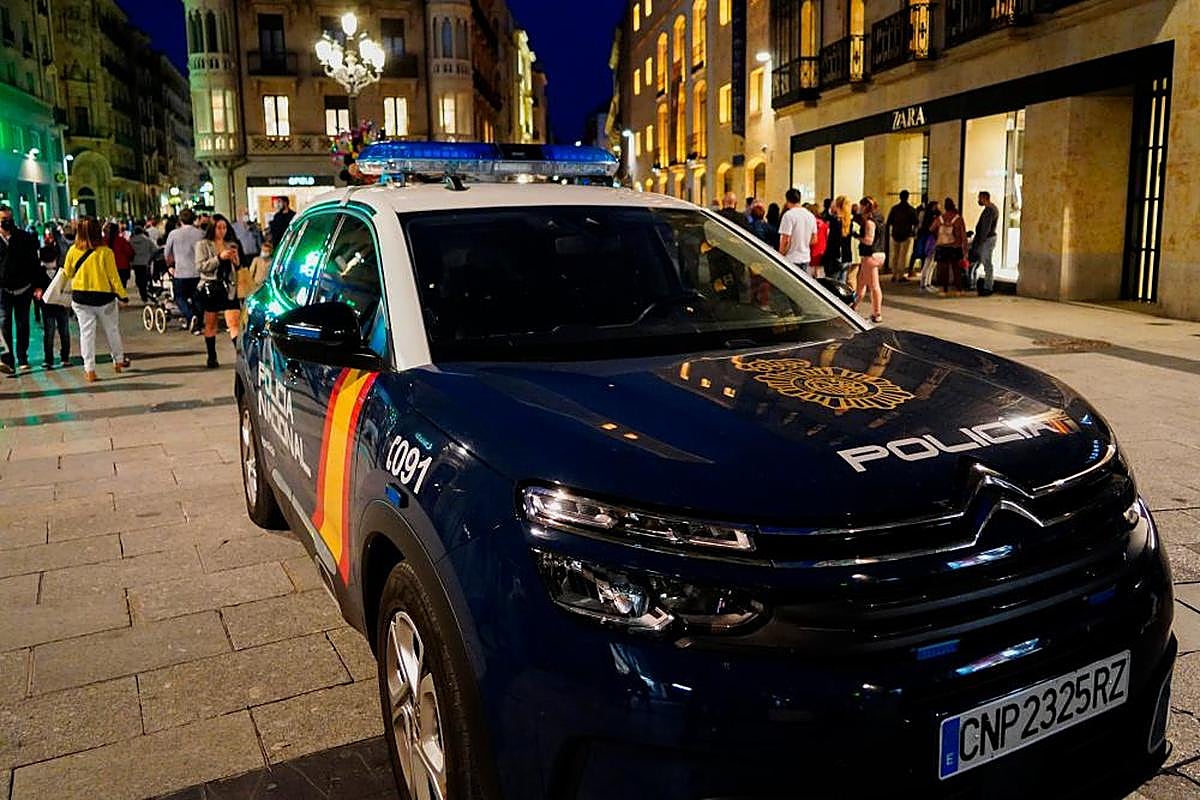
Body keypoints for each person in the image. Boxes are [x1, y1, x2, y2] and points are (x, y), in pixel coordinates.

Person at [62, 216, 128, 383]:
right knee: (112, 330)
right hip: (104, 298)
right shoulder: (106, 252)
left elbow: (67, 273)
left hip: (81, 298)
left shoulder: (72, 251)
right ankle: (118, 360)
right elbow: (113, 277)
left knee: (86, 334)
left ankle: (89, 369)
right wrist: (122, 295)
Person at [0, 205, 46, 375]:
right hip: (3, 290)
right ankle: (8, 360)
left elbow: (34, 262)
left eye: (9, 218)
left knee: (22, 323)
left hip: (23, 288)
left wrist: (38, 285)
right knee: (4, 323)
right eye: (3, 219)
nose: (7, 222)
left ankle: (22, 357)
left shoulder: (24, 237)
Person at [195, 214, 244, 369]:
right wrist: (219, 258)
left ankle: (240, 357)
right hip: (211, 287)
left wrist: (235, 259)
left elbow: (238, 266)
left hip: (230, 287)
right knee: (211, 323)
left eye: (224, 228)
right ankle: (212, 356)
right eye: (219, 228)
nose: (222, 231)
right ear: (212, 228)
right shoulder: (203, 245)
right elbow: (201, 266)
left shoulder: (231, 244)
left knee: (234, 322)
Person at [163, 208, 205, 331]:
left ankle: (190, 316)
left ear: (180, 220)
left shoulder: (173, 234)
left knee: (179, 297)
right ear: (194, 219)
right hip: (198, 272)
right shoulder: (201, 234)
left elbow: (167, 253)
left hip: (181, 272)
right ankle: (198, 323)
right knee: (197, 298)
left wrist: (170, 266)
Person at [38, 228, 70, 369]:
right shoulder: (40, 272)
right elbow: (37, 286)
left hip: (60, 305)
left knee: (63, 332)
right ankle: (49, 359)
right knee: (50, 333)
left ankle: (64, 357)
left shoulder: (61, 272)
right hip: (48, 307)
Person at [854, 196, 886, 323]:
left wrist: (857, 236)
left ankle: (877, 313)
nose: (859, 208)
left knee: (874, 285)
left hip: (870, 256)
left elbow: (869, 240)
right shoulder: (880, 219)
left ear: (865, 207)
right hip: (880, 254)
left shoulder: (869, 222)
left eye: (861, 206)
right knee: (861, 283)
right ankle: (853, 306)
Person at [932, 198, 968, 295]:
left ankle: (944, 290)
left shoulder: (940, 218)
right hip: (955, 247)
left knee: (944, 269)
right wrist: (965, 249)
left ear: (945, 207)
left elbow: (931, 228)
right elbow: (963, 235)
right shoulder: (958, 219)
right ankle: (959, 290)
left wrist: (938, 236)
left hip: (942, 247)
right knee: (956, 269)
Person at [777, 189, 817, 274]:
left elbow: (785, 240)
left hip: (791, 258)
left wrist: (781, 254)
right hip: (805, 257)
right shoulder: (810, 216)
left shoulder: (788, 215)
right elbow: (814, 239)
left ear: (787, 200)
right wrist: (803, 243)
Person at [885, 190, 920, 283]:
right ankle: (900, 275)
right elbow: (916, 222)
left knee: (895, 255)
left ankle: (894, 274)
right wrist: (913, 231)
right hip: (906, 234)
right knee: (902, 256)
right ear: (907, 197)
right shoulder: (911, 209)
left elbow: (889, 222)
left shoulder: (894, 209)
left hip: (895, 234)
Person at [972, 191, 1000, 296]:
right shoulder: (992, 208)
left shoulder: (989, 210)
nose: (978, 200)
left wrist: (980, 241)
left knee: (987, 262)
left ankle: (988, 287)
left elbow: (985, 228)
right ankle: (987, 285)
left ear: (984, 198)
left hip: (987, 239)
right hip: (988, 238)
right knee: (986, 262)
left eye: (979, 198)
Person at [822, 195, 853, 284]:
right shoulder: (849, 221)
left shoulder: (834, 221)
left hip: (835, 257)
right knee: (842, 284)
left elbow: (832, 241)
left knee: (832, 285)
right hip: (846, 256)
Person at [128, 225, 156, 303]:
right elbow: (154, 249)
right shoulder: (147, 240)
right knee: (144, 278)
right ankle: (145, 293)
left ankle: (142, 292)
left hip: (135, 262)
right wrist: (150, 257)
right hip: (145, 262)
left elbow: (129, 251)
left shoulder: (131, 241)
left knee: (139, 277)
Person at [104, 221, 134, 290]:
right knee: (122, 288)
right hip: (122, 267)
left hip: (107, 268)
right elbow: (129, 252)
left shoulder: (103, 241)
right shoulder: (122, 241)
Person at [805, 203, 829, 278]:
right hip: (821, 251)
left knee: (808, 275)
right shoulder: (824, 224)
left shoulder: (809, 223)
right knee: (819, 275)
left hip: (811, 250)